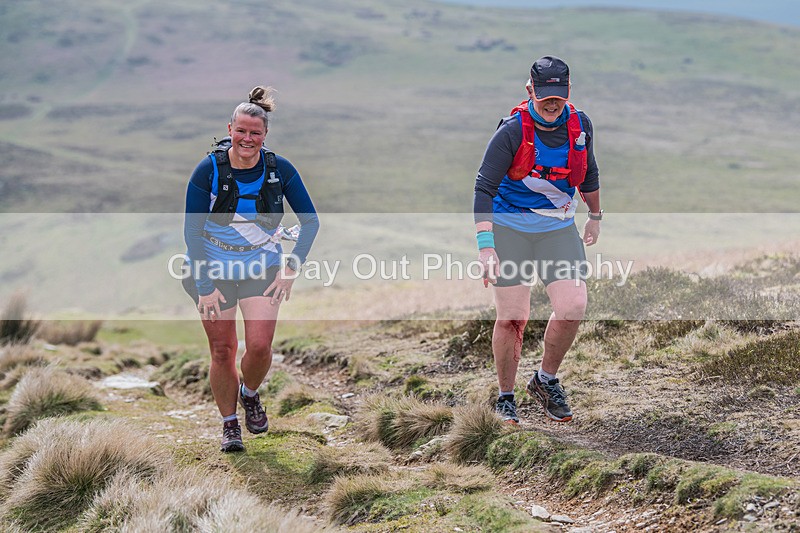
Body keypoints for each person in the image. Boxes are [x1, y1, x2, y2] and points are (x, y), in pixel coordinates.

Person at [182, 86, 319, 452]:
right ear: (230, 129)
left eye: (254, 133)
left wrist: (291, 267)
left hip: (263, 265)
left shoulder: (280, 169)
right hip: (212, 269)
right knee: (223, 350)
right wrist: (204, 285)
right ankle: (229, 425)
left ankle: (250, 393)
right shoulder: (208, 170)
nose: (247, 138)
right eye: (241, 131)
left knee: (259, 347)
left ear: (265, 135)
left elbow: (311, 222)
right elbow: (192, 232)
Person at [473, 56, 601, 424]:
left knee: (573, 307)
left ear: (568, 92)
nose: (551, 102)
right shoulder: (512, 131)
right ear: (530, 90)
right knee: (513, 317)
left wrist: (594, 216)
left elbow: (588, 171)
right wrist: (486, 246)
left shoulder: (580, 125)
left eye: (558, 96)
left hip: (558, 229)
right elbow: (484, 187)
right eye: (544, 95)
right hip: (509, 229)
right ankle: (505, 397)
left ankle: (545, 381)